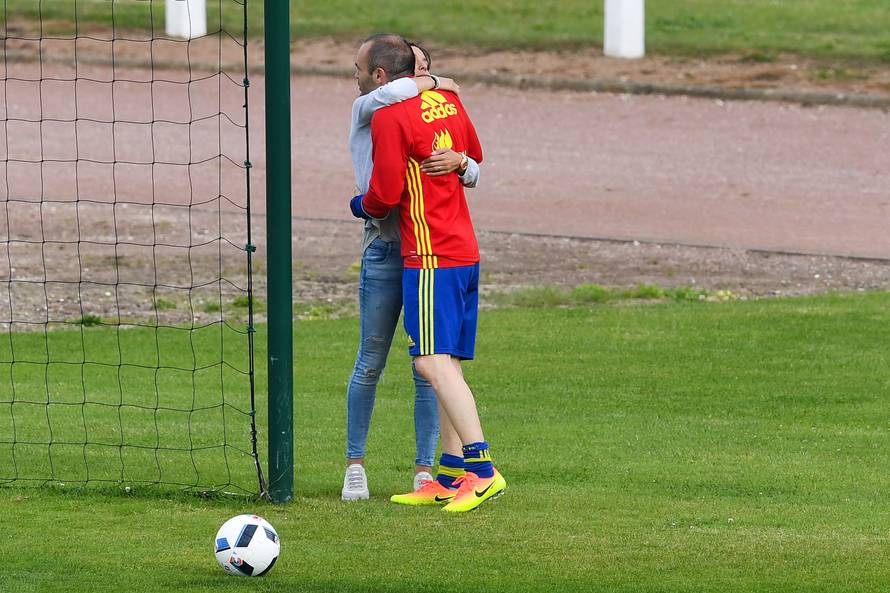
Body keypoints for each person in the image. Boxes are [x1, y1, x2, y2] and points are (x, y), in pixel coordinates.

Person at [351, 36, 506, 512]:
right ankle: (448, 474)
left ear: (381, 75)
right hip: (464, 249)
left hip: (429, 254)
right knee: (448, 364)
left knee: (429, 363)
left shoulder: (390, 117)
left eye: (357, 67)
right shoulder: (449, 102)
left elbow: (384, 194)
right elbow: (475, 154)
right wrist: (460, 162)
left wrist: (358, 206)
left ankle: (483, 471)